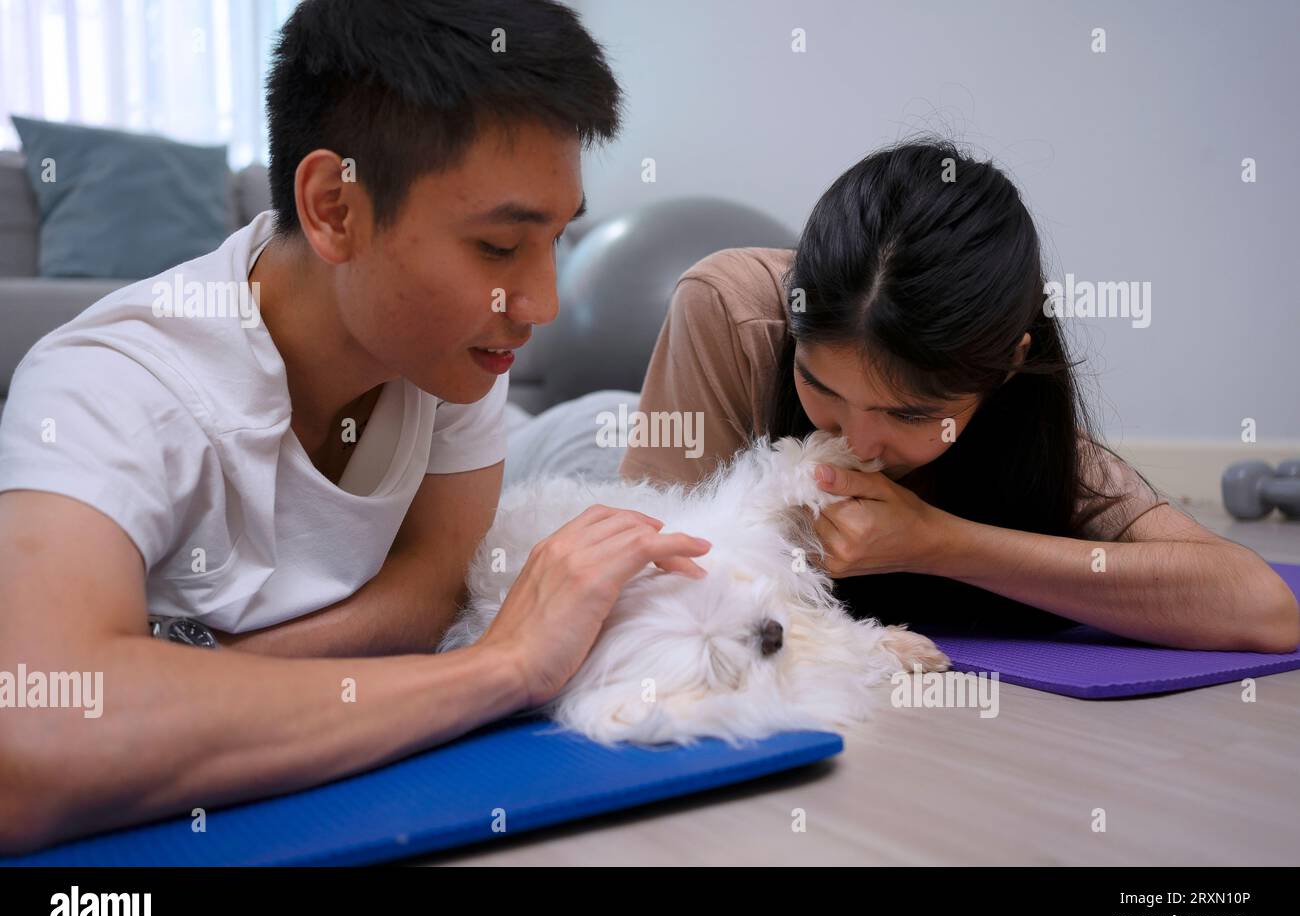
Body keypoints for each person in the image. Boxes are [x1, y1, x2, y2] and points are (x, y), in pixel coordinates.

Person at [0, 0, 710, 855]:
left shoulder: (453, 350)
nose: (541, 305)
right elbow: (33, 741)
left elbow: (431, 583)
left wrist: (209, 678)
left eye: (556, 240)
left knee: (598, 425)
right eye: (496, 248)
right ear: (335, 207)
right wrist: (503, 667)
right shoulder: (109, 383)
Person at [620, 138, 1299, 651]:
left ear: (1004, 369)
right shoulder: (732, 310)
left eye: (911, 414)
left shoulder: (1020, 408)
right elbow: (640, 560)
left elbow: (1261, 608)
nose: (857, 444)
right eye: (821, 387)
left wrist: (936, 542)